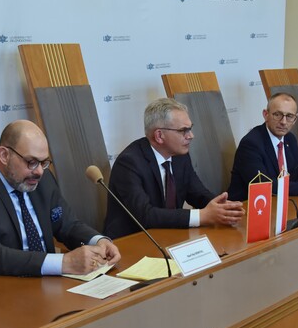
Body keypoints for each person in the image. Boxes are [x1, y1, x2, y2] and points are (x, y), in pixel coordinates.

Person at [0, 119, 121, 288]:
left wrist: (99, 241)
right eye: (32, 162)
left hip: (43, 284)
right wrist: (65, 262)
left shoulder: (42, 180)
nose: (39, 172)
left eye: (44, 163)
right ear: (4, 155)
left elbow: (67, 225)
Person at [103, 98, 244, 239]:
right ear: (159, 135)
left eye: (190, 128)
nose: (191, 136)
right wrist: (202, 216)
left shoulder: (179, 155)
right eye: (183, 130)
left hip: (169, 234)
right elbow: (145, 215)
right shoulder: (129, 163)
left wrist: (222, 209)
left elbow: (197, 193)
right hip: (131, 240)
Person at [228, 93, 298, 201]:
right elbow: (264, 186)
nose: (283, 122)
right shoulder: (251, 144)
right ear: (266, 114)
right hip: (247, 207)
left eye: (289, 116)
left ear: (295, 119)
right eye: (277, 115)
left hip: (282, 203)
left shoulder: (289, 139)